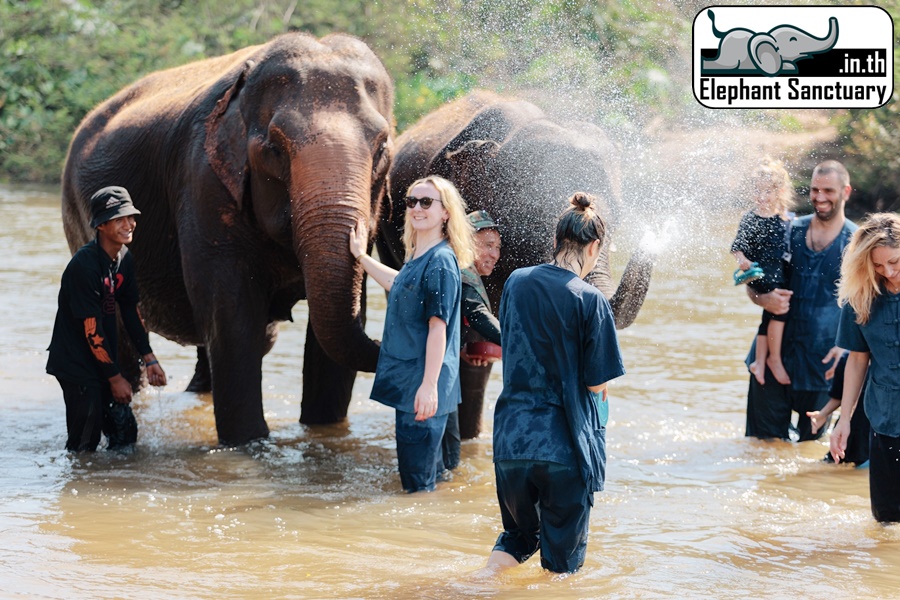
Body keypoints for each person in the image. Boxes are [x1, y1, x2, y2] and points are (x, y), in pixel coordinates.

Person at [484, 192, 625, 574]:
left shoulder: (515, 282)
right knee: (562, 569)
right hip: (564, 448)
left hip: (511, 443)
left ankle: (476, 587)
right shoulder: (591, 300)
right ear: (595, 247)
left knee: (517, 537)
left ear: (556, 239)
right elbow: (597, 385)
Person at [349, 176, 474, 493]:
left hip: (421, 387)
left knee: (417, 488)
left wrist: (429, 387)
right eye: (412, 201)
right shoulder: (421, 255)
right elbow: (400, 283)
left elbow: (438, 328)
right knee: (427, 478)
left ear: (446, 212)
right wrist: (362, 258)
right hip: (414, 383)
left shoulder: (441, 263)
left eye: (427, 202)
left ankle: (419, 540)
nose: (417, 208)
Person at [47, 186, 167, 452]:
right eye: (119, 219)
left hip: (104, 359)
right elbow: (91, 330)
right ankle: (80, 484)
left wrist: (150, 358)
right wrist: (115, 378)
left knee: (125, 433)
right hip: (77, 365)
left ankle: (114, 486)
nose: (129, 224)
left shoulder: (124, 259)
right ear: (101, 225)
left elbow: (131, 313)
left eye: (131, 217)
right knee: (84, 443)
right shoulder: (84, 267)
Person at [744, 160, 857, 441]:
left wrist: (848, 349)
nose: (819, 197)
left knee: (812, 449)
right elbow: (755, 284)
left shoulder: (857, 243)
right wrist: (764, 298)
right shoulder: (787, 229)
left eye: (828, 190)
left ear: (846, 192)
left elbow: (867, 306)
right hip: (773, 356)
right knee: (762, 447)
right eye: (815, 190)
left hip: (826, 364)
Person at [830, 213, 900, 522]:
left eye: (896, 262)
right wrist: (843, 419)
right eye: (879, 265)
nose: (889, 272)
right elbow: (858, 360)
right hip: (884, 420)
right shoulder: (861, 298)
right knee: (885, 521)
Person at [441, 209, 502, 472]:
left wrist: (462, 349)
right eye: (488, 245)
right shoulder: (462, 271)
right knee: (446, 456)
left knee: (448, 455)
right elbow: (478, 316)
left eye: (497, 247)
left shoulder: (450, 265)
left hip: (435, 374)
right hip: (432, 380)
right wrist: (523, 342)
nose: (494, 255)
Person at [731, 157, 795, 385]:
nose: (762, 196)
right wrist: (743, 261)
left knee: (768, 318)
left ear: (779, 191)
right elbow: (738, 246)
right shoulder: (751, 218)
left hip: (778, 275)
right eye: (757, 191)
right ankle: (773, 359)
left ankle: (759, 361)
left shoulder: (785, 218)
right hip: (760, 275)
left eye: (767, 191)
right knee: (778, 313)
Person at [806, 351, 870, 466]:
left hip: (875, 433)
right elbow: (839, 396)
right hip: (850, 431)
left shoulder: (887, 364)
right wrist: (823, 414)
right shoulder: (847, 359)